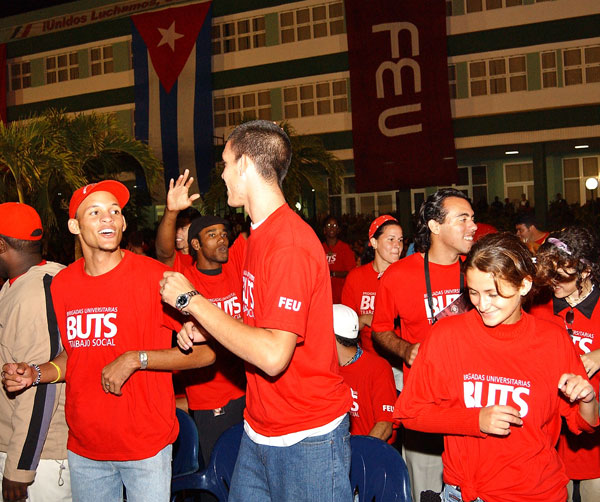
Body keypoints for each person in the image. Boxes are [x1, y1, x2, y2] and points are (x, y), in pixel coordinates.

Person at [161, 120, 352, 502]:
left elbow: (272, 354)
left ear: (245, 164)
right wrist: (210, 327)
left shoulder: (289, 243)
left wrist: (192, 301)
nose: (223, 174)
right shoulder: (259, 236)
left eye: (226, 163)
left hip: (307, 436)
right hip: (260, 426)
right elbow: (259, 323)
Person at [2, 180, 215, 502]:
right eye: (96, 212)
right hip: (85, 449)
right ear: (75, 225)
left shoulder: (154, 277)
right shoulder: (63, 284)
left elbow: (206, 353)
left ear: (124, 223)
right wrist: (36, 373)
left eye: (115, 211)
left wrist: (136, 358)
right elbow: (76, 355)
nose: (108, 218)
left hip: (145, 448)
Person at [395, 232, 599, 502]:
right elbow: (408, 413)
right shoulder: (447, 335)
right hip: (465, 493)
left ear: (525, 285)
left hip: (537, 493)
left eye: (494, 293)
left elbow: (582, 423)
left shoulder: (553, 339)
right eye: (473, 293)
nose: (482, 304)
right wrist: (474, 421)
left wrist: (588, 398)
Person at [371, 188, 477, 501]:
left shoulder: (481, 268)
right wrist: (406, 350)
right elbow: (379, 329)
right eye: (462, 219)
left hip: (475, 403)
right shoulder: (399, 274)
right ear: (434, 226)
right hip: (425, 404)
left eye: (472, 218)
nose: (472, 226)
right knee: (426, 492)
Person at [0, 203, 71, 502]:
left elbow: (43, 387)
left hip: (39, 460)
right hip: (26, 450)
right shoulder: (18, 285)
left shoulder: (36, 294)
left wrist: (20, 468)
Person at [532, 227, 600, 502]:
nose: (552, 283)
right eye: (548, 274)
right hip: (551, 434)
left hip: (593, 434)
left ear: (584, 271)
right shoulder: (538, 305)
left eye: (560, 277)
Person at [181, 214, 247, 470]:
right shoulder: (186, 280)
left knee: (246, 475)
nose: (222, 239)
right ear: (195, 245)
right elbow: (164, 252)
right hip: (210, 400)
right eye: (212, 234)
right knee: (218, 477)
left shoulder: (235, 264)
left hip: (245, 392)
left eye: (223, 233)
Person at [333, 304, 396, 443]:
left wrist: (360, 456)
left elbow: (385, 425)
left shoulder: (377, 368)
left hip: (367, 454)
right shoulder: (322, 367)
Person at [155, 169, 201, 271]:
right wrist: (170, 212)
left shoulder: (206, 258)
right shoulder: (173, 259)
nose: (178, 232)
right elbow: (163, 252)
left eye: (183, 228)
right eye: (176, 228)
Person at [322, 215, 356, 304]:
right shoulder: (319, 247)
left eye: (334, 226)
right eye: (329, 225)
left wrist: (333, 273)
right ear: (324, 230)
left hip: (341, 294)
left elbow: (351, 272)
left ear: (338, 230)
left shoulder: (345, 248)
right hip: (324, 294)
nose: (331, 228)